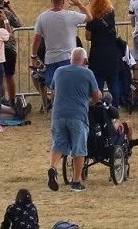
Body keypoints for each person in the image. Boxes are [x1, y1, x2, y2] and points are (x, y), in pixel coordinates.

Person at [47, 47, 101, 193]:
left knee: (58, 144)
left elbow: (53, 93)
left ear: (70, 59)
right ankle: (76, 182)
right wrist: (88, 102)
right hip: (77, 115)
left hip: (58, 114)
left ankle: (53, 168)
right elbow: (96, 97)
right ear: (85, 61)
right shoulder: (88, 73)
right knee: (79, 148)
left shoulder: (59, 71)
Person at [31, 0, 92, 88]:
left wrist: (34, 55)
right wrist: (79, 4)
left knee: (54, 87)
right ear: (63, 1)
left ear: (51, 1)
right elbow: (89, 17)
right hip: (68, 58)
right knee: (68, 86)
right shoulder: (71, 15)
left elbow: (37, 38)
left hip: (51, 59)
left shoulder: (42, 17)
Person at [85, 0, 124, 108]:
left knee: (98, 84)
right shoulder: (111, 13)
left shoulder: (91, 18)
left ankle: (99, 107)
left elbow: (88, 36)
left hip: (98, 55)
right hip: (112, 53)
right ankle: (114, 107)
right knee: (113, 83)